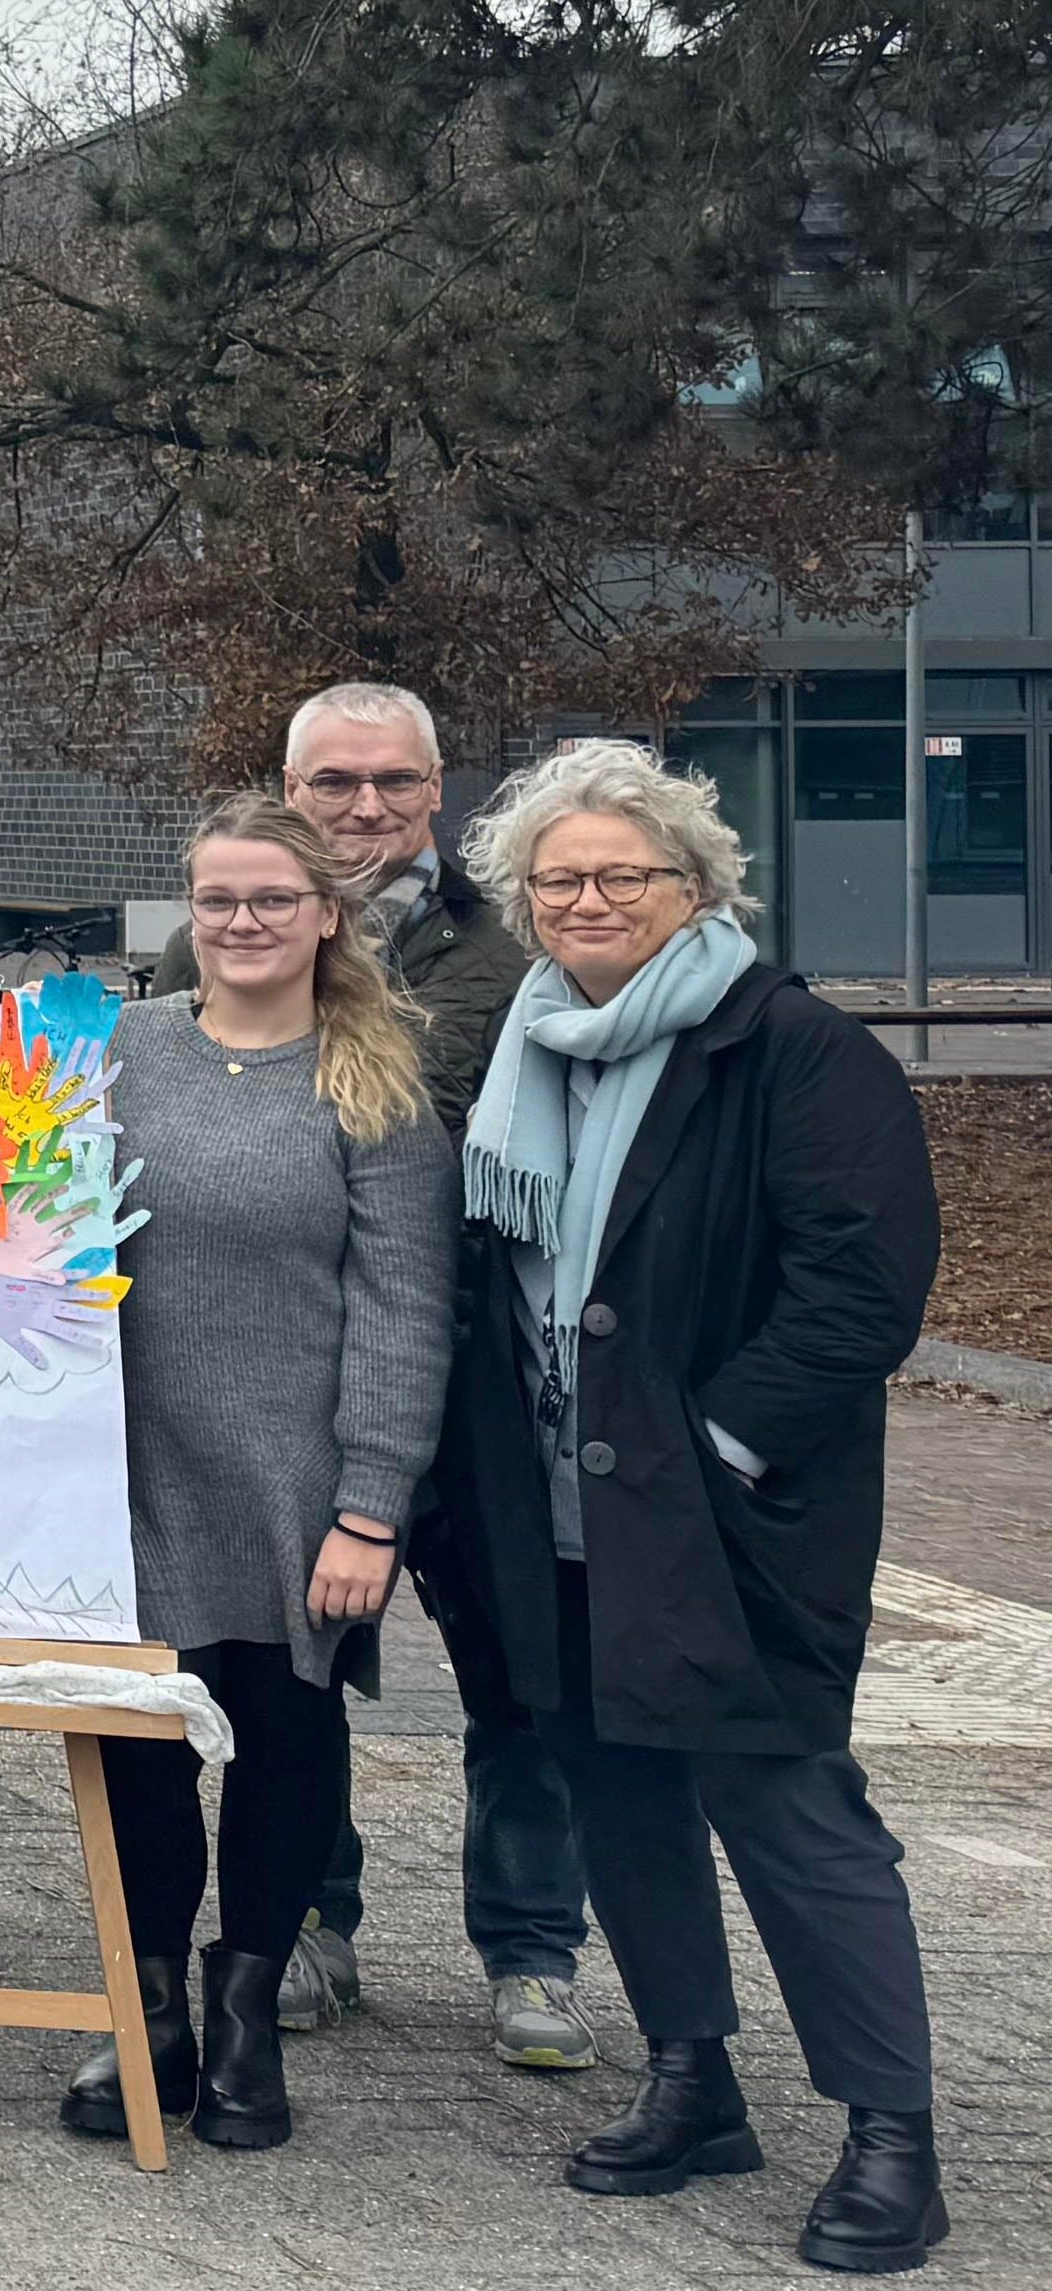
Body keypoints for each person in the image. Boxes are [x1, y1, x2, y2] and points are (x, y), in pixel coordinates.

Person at [437, 741, 947, 2274]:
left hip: (726, 1515)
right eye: (559, 879)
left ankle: (893, 2135)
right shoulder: (526, 1050)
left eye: (623, 875)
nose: (589, 899)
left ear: (696, 887)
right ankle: (692, 2077)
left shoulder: (791, 1049)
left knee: (789, 1806)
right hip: (557, 1509)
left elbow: (860, 1290)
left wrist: (718, 1447)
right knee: (616, 1793)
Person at [65, 796, 452, 2155]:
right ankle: (150, 2012)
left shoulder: (377, 1079)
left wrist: (372, 1503)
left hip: (299, 1479)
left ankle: (248, 2017)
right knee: (141, 1749)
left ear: (328, 914)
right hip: (127, 1464)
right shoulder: (122, 1051)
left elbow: (407, 1303)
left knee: (285, 1741)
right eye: (218, 898)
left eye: (272, 899)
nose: (241, 922)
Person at [253, 680, 585, 2057]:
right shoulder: (241, 936)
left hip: (491, 1375)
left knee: (521, 1666)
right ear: (293, 791)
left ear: (437, 786)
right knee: (296, 1656)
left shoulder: (523, 949)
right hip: (307, 1373)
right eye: (335, 782)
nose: (366, 806)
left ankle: (529, 1950)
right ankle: (311, 1922)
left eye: (392, 780)